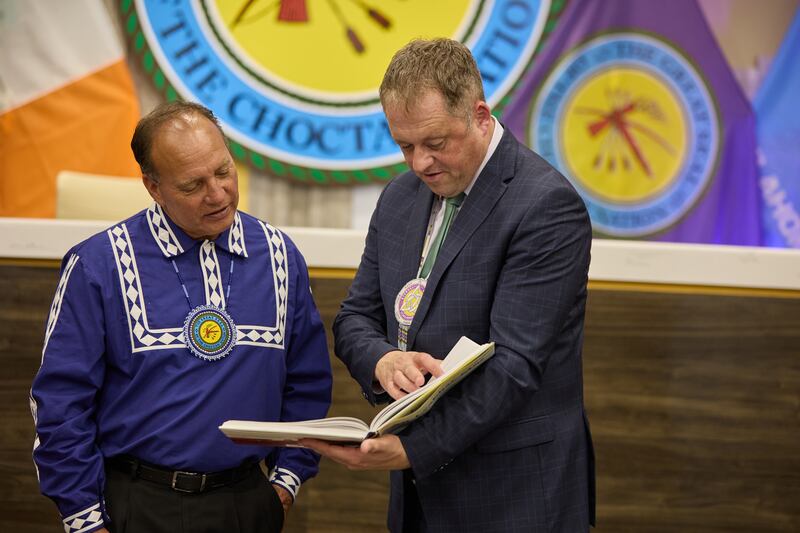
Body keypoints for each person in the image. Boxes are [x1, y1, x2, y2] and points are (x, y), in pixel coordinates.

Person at [304, 38, 595, 532]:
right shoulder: (398, 198)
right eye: (405, 146)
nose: (419, 163)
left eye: (435, 143)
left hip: (515, 495)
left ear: (480, 116)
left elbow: (514, 367)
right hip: (420, 500)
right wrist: (383, 360)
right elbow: (355, 318)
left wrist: (412, 448)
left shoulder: (545, 205)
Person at [30, 102, 332, 533]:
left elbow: (308, 381)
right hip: (137, 506)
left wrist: (286, 482)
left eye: (224, 171)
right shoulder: (98, 266)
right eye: (193, 185)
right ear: (153, 187)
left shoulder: (280, 257)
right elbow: (60, 404)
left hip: (249, 502)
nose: (218, 193)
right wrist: (85, 518)